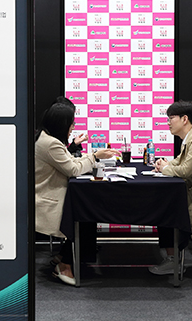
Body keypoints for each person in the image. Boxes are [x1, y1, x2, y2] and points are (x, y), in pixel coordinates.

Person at [35, 103, 118, 285]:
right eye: (71, 124)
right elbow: (73, 169)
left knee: (86, 211)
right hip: (48, 199)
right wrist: (95, 156)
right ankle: (65, 264)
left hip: (55, 193)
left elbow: (71, 161)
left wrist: (92, 156)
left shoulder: (47, 138)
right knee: (85, 213)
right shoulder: (51, 143)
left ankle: (66, 257)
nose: (72, 128)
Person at [149, 100, 192, 275]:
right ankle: (172, 259)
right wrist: (165, 165)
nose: (168, 123)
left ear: (184, 119)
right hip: (190, 195)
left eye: (171, 118)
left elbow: (185, 170)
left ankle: (174, 260)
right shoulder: (190, 138)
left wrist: (165, 168)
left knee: (167, 211)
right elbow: (178, 163)